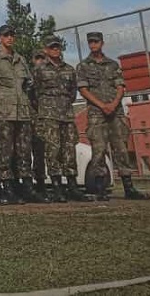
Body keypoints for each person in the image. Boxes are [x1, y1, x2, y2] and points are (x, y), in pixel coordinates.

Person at [77, 32, 148, 201]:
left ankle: (128, 187)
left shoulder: (113, 65)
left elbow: (120, 86)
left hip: (115, 112)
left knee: (121, 149)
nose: (93, 45)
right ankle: (101, 188)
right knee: (98, 151)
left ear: (102, 43)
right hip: (96, 113)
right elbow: (83, 89)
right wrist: (102, 105)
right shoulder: (83, 66)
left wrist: (114, 104)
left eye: (96, 42)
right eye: (90, 42)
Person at [0, 25, 48, 204]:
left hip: (22, 113)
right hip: (3, 114)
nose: (9, 38)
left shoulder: (20, 60)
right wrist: (0, 101)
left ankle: (27, 187)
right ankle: (7, 188)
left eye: (12, 35)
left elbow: (28, 83)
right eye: (6, 35)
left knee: (24, 152)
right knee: (5, 153)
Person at [33, 35, 91, 202]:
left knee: (69, 151)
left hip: (66, 115)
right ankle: (57, 187)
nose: (55, 50)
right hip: (49, 116)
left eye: (57, 47)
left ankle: (72, 186)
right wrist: (47, 107)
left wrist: (63, 104)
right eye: (52, 47)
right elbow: (35, 93)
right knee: (53, 151)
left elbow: (73, 93)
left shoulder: (69, 70)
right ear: (46, 50)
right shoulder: (39, 70)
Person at [30, 51, 48, 198]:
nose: (40, 61)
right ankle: (40, 183)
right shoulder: (30, 79)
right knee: (38, 152)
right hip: (35, 120)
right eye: (37, 58)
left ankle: (57, 184)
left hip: (51, 117)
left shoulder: (50, 77)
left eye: (42, 58)